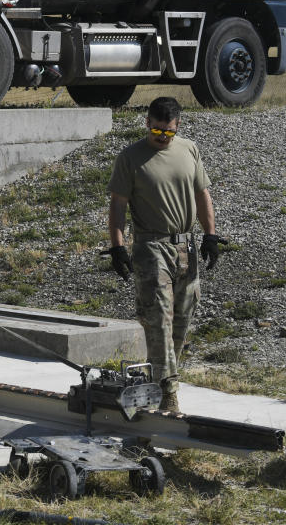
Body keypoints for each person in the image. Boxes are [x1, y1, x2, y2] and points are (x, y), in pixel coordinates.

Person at [105, 96, 225, 412]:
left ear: (177, 127)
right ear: (147, 123)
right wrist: (117, 246)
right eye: (157, 130)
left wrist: (210, 235)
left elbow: (202, 194)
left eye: (168, 132)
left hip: (185, 245)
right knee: (158, 318)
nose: (162, 137)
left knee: (181, 321)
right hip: (150, 246)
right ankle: (169, 392)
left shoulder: (189, 150)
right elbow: (117, 205)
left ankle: (154, 380)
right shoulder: (130, 158)